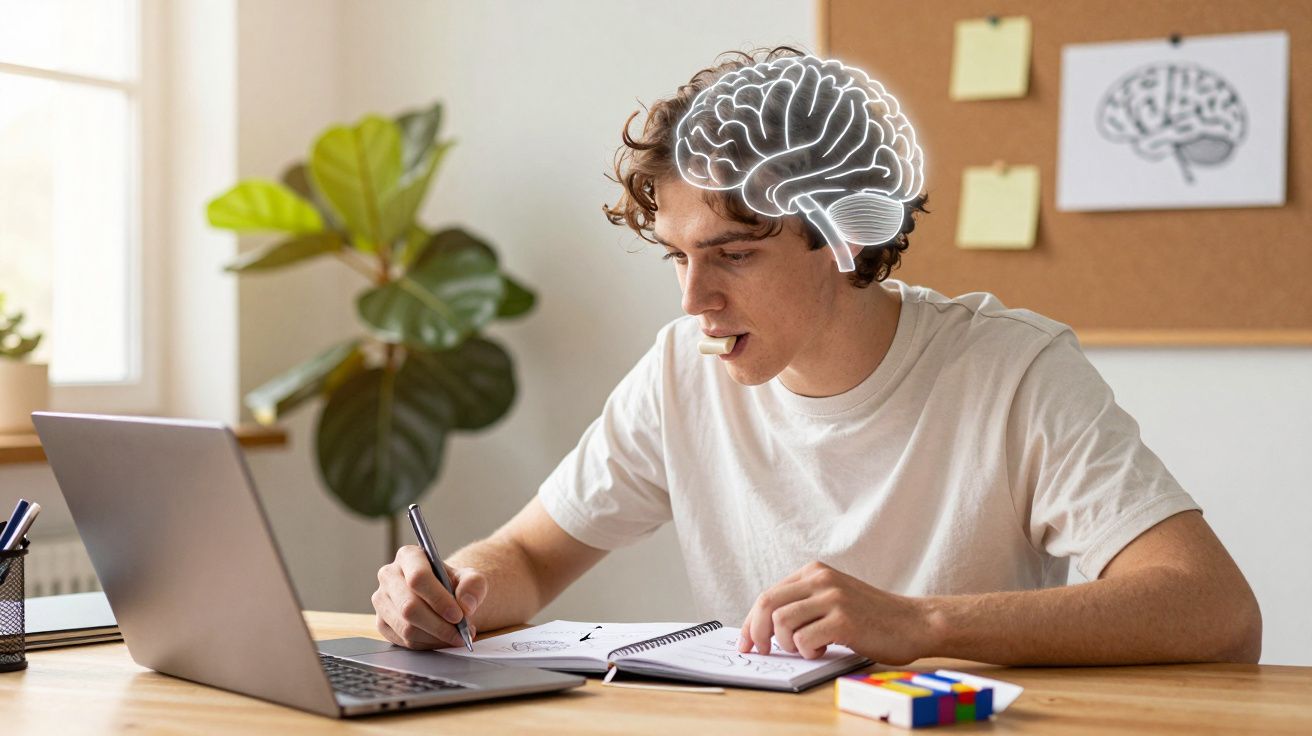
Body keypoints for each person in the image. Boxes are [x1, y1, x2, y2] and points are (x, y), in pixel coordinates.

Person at [371, 47, 1261, 666]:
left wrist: (917, 622)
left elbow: (1215, 611)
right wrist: (459, 591)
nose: (695, 301)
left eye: (734, 254)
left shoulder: (1013, 370)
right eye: (678, 257)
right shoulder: (683, 371)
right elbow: (526, 558)